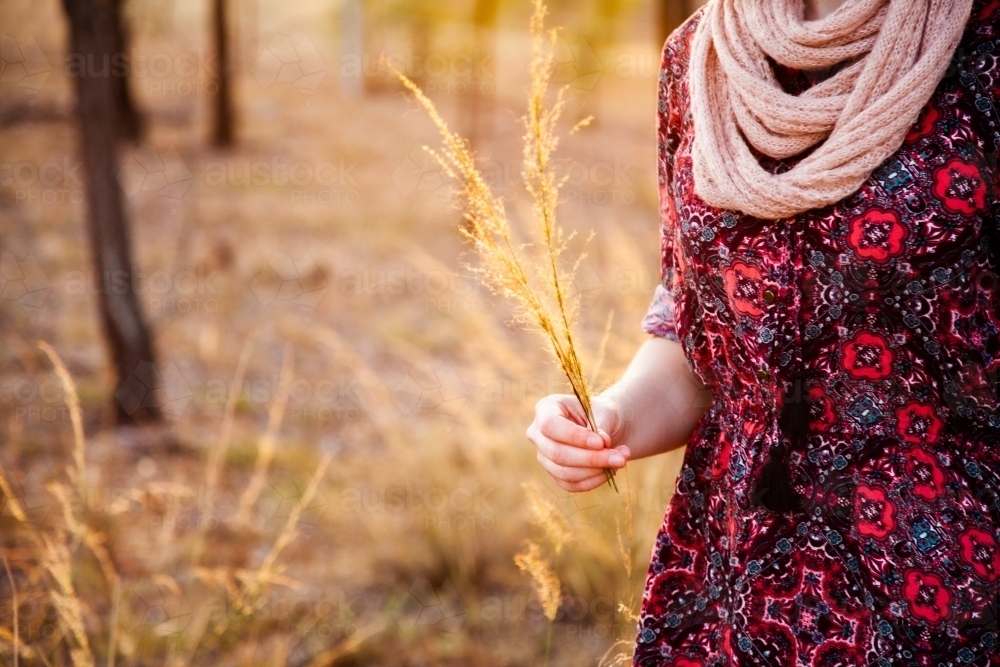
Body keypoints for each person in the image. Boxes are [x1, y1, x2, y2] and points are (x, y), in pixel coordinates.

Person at [525, 0, 1000, 664]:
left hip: (946, 602)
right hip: (733, 594)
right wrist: (612, 418)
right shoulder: (701, 60)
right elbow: (700, 336)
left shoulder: (982, 54)